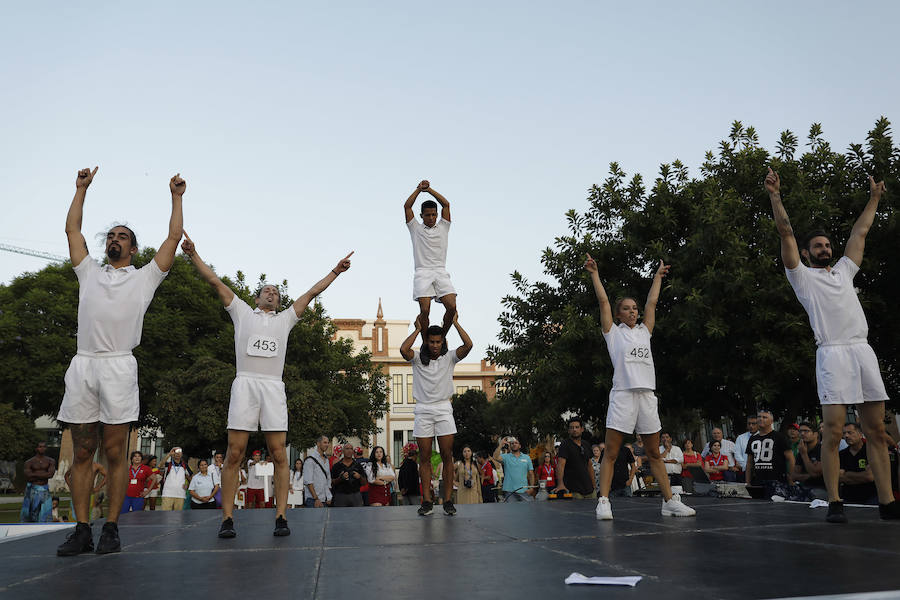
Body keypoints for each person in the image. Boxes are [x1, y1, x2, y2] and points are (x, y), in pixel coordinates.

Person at [182, 233, 352, 537]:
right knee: (235, 453)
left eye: (275, 291)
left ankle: (281, 517)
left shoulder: (285, 320)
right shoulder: (242, 312)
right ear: (257, 298)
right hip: (245, 385)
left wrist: (336, 272)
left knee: (278, 454)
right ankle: (227, 519)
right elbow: (216, 282)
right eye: (266, 291)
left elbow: (312, 293)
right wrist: (193, 255)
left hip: (273, 387)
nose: (271, 293)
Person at [56, 167, 184, 556]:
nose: (114, 239)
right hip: (83, 365)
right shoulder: (88, 272)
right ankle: (82, 528)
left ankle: (110, 527)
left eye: (122, 236)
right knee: (81, 451)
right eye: (110, 235)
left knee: (113, 452)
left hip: (118, 366)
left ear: (132, 249)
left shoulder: (144, 278)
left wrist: (176, 197)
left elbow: (173, 238)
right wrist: (80, 190)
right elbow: (73, 232)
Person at [765, 168, 899, 522]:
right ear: (808, 254)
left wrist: (874, 198)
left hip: (862, 350)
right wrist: (775, 196)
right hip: (832, 354)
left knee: (875, 430)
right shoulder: (802, 278)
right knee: (834, 431)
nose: (825, 248)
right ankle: (835, 502)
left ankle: (887, 502)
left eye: (827, 244)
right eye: (819, 246)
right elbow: (786, 232)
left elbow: (860, 231)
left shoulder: (844, 270)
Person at [584, 254, 695, 519]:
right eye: (627, 308)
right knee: (611, 452)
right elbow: (602, 301)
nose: (633, 311)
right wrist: (594, 275)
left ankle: (669, 501)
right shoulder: (613, 333)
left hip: (646, 395)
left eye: (635, 308)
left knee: (654, 452)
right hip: (623, 394)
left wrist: (657, 277)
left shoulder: (645, 331)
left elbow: (652, 302)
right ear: (618, 313)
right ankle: (603, 502)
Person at [399, 314, 473, 516]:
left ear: (443, 342)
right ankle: (427, 502)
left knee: (447, 455)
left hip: (443, 409)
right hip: (423, 410)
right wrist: (416, 329)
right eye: (431, 341)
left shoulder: (449, 358)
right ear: (426, 341)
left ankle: (448, 501)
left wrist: (455, 322)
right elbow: (403, 350)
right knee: (424, 457)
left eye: (438, 342)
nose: (434, 345)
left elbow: (469, 345)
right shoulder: (416, 358)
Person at [404, 180, 458, 334]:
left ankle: (442, 335)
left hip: (440, 271)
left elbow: (446, 205)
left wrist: (430, 190)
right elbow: (407, 207)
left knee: (452, 307)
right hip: (423, 271)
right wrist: (418, 190)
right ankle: (426, 340)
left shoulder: (443, 226)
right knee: (425, 310)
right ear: (421, 215)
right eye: (427, 215)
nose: (431, 217)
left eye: (434, 214)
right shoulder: (415, 228)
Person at [745, 410, 796, 498]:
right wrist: (748, 482)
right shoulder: (752, 439)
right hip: (758, 482)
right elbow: (749, 462)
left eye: (764, 417)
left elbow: (791, 459)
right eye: (759, 417)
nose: (761, 419)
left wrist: (791, 479)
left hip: (777, 481)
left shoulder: (780, 437)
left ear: (771, 421)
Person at [553, 418, 596, 499]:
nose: (574, 430)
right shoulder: (565, 444)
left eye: (577, 427)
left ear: (582, 429)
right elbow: (560, 465)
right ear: (568, 430)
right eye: (571, 428)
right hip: (573, 489)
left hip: (589, 489)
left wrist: (594, 485)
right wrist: (560, 484)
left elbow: (590, 465)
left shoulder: (586, 444)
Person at [839, 422, 878, 505]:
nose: (846, 436)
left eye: (850, 433)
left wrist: (847, 474)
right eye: (844, 433)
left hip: (871, 497)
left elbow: (869, 477)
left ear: (860, 434)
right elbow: (839, 477)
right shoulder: (842, 454)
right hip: (848, 498)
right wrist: (861, 475)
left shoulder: (870, 451)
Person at [21, 442, 56, 522]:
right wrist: (44, 474)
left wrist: (35, 475)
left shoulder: (50, 461)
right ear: (36, 448)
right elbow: (28, 475)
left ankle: (45, 530)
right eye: (40, 447)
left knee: (46, 513)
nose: (42, 448)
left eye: (44, 447)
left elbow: (50, 474)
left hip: (45, 489)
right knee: (32, 514)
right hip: (33, 490)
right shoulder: (29, 462)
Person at [493, 436, 535, 501]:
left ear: (520, 446)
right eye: (512, 443)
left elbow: (531, 474)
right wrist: (501, 444)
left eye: (516, 443)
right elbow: (495, 457)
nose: (514, 444)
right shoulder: (506, 457)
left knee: (525, 510)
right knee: (511, 511)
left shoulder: (527, 458)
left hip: (523, 490)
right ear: (510, 446)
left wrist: (532, 488)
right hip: (509, 491)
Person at [793, 422, 826, 498]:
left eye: (806, 431)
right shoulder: (801, 451)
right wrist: (809, 475)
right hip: (805, 488)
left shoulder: (822, 450)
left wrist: (804, 455)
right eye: (800, 431)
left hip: (822, 489)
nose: (802, 434)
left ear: (816, 434)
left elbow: (814, 473)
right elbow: (794, 476)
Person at [304, 435, 332, 508]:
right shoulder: (310, 460)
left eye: (328, 443)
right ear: (318, 444)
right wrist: (316, 499)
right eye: (325, 442)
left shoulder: (326, 460)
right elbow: (308, 482)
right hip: (313, 500)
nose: (327, 445)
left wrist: (328, 495)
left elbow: (328, 479)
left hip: (324, 499)